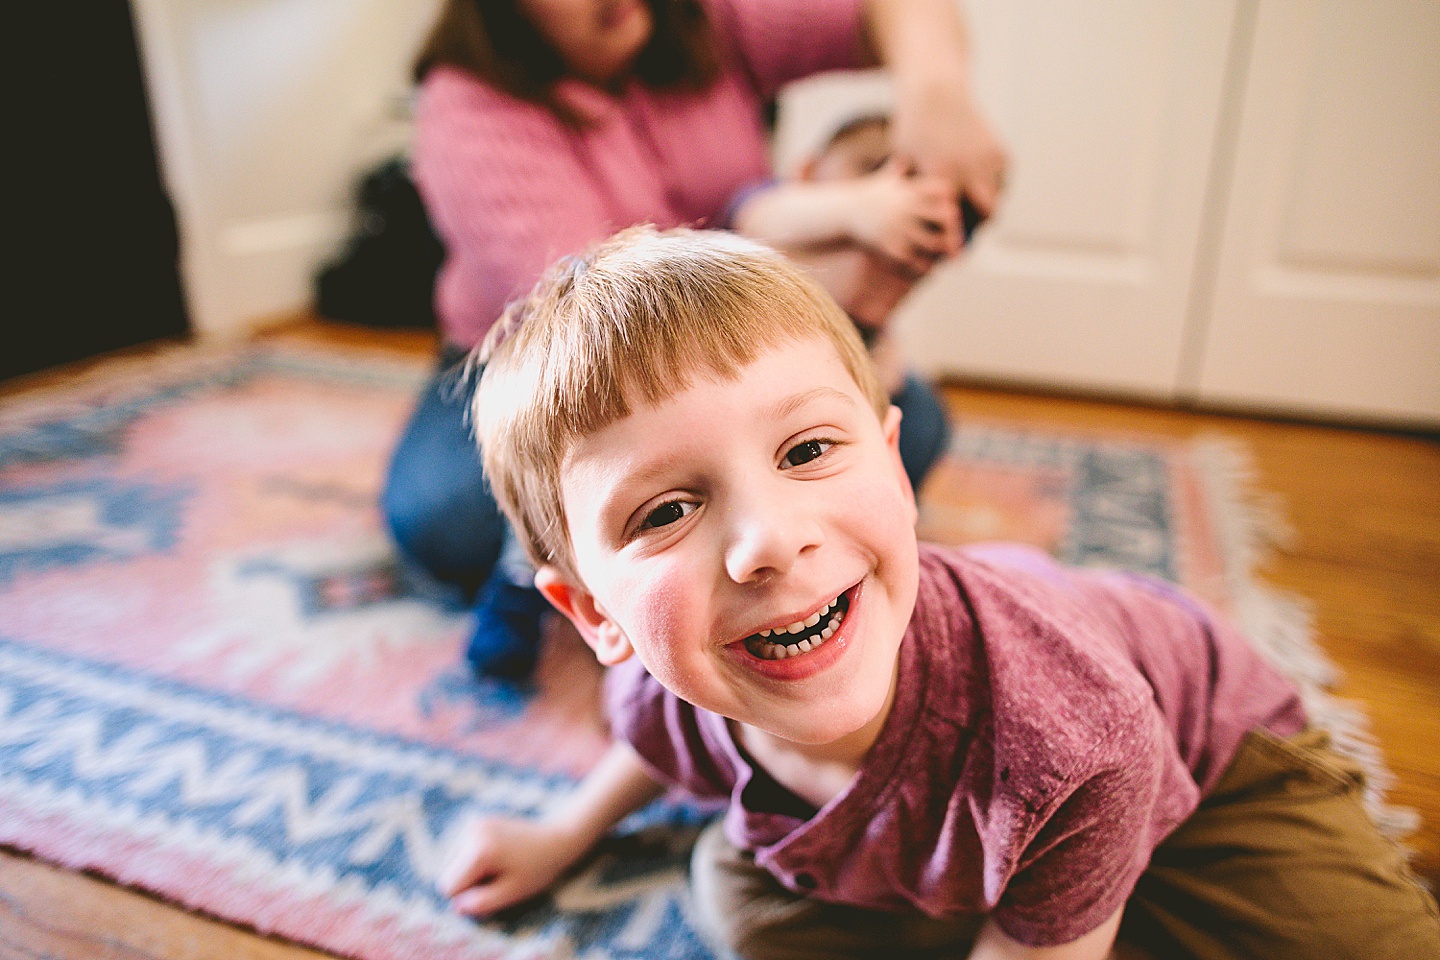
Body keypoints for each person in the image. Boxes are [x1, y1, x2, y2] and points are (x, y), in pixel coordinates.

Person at [436, 227, 1440, 960]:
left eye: (807, 450)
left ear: (896, 466)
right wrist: (560, 834)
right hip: (985, 820)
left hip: (1217, 769)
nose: (771, 542)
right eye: (665, 513)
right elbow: (653, 739)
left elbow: (1082, 762)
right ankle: (1048, 894)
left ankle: (1068, 895)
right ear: (598, 616)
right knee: (747, 912)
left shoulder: (1075, 734)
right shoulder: (670, 680)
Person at [381, 0, 1009, 680]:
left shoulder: (711, 17)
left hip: (732, 338)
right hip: (548, 367)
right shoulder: (465, 104)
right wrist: (832, 232)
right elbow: (596, 318)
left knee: (906, 429)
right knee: (451, 525)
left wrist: (935, 94)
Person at [728, 109, 985, 482]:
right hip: (750, 384)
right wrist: (857, 209)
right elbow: (757, 217)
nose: (894, 193)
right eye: (872, 169)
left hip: (844, 379)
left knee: (921, 416)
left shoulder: (899, 244)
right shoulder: (780, 209)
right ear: (808, 171)